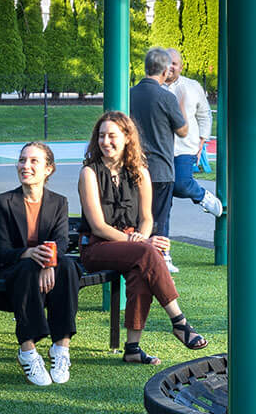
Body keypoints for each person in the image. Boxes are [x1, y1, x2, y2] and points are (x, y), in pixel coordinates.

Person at [77, 111, 208, 364]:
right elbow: (98, 226)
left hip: (132, 245)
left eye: (112, 136)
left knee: (141, 268)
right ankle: (179, 321)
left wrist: (142, 237)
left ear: (127, 138)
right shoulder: (89, 173)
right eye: (101, 136)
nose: (106, 141)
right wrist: (142, 243)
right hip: (96, 247)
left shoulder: (139, 171)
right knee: (147, 253)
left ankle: (133, 349)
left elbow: (147, 218)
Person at [0, 142, 79, 386]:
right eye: (23, 160)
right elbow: (2, 250)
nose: (26, 166)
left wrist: (47, 263)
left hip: (46, 267)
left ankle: (61, 348)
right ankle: (27, 350)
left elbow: (62, 242)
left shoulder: (59, 202)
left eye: (34, 161)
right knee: (27, 268)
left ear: (49, 170)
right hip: (11, 269)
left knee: (67, 265)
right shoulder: (4, 201)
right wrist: (31, 254)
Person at [128, 47, 190, 274]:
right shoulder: (167, 97)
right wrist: (181, 108)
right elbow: (183, 131)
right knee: (159, 218)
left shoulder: (129, 94)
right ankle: (161, 261)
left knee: (137, 217)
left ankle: (136, 258)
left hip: (133, 168)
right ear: (165, 71)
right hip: (161, 170)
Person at [165, 50, 226, 236]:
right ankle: (162, 249)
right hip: (160, 150)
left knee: (181, 184)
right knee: (162, 198)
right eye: (167, 62)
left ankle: (202, 196)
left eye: (174, 63)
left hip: (185, 147)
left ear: (181, 67)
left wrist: (202, 141)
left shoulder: (192, 87)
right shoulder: (155, 87)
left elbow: (204, 115)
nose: (170, 66)